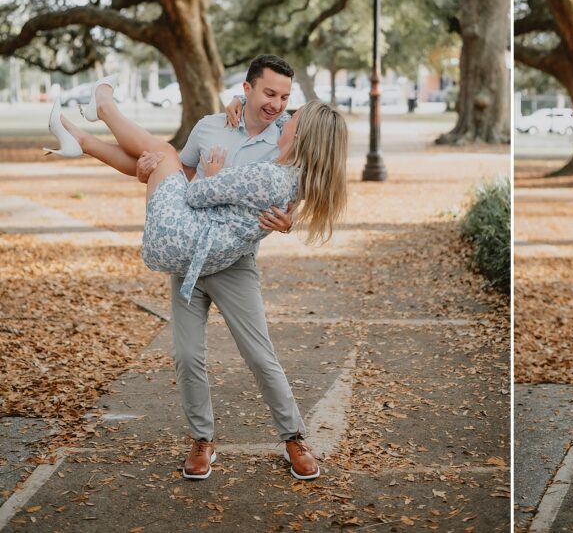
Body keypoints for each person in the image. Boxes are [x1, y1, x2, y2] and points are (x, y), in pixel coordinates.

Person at [43, 55, 346, 482]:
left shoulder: (285, 135)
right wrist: (148, 171)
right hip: (190, 253)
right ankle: (202, 440)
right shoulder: (210, 126)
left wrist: (289, 219)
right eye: (270, 94)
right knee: (186, 356)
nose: (280, 106)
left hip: (233, 265)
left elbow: (303, 168)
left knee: (261, 356)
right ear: (247, 89)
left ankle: (294, 437)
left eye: (286, 98)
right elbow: (174, 176)